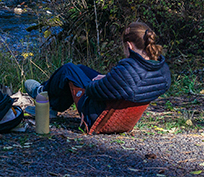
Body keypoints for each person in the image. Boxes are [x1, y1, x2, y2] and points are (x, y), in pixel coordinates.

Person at [24, 21, 171, 130]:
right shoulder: (162, 69)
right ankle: (51, 106)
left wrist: (100, 81)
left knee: (69, 69)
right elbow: (128, 83)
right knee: (80, 68)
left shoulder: (127, 69)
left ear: (130, 46)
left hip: (96, 116)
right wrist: (108, 79)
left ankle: (41, 93)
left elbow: (92, 91)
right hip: (122, 115)